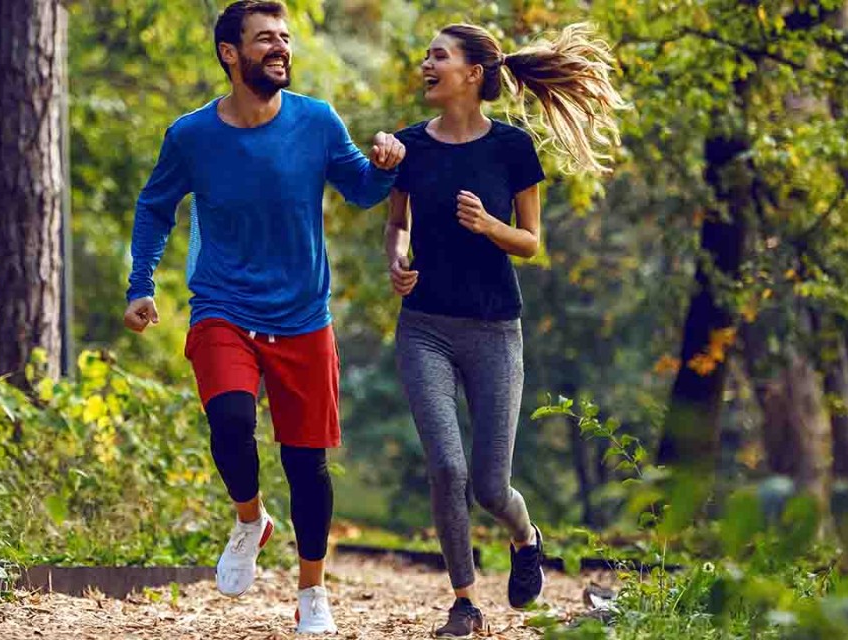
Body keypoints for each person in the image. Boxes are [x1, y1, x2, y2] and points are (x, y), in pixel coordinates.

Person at [122, 1, 405, 634]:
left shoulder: (317, 121)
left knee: (307, 464)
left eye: (284, 38)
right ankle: (250, 518)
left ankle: (312, 593)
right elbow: (154, 207)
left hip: (303, 316)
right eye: (264, 39)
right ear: (230, 53)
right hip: (224, 306)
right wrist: (140, 284)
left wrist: (387, 165)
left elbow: (360, 188)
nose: (280, 48)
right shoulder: (191, 136)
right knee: (229, 421)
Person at [384, 22, 627, 638]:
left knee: (491, 486)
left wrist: (491, 226)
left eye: (438, 55)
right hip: (424, 329)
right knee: (447, 469)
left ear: (472, 74)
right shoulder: (412, 147)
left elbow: (531, 242)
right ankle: (464, 601)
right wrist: (397, 259)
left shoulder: (512, 148)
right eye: (425, 54)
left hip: (495, 329)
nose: (425, 64)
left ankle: (526, 537)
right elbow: (397, 226)